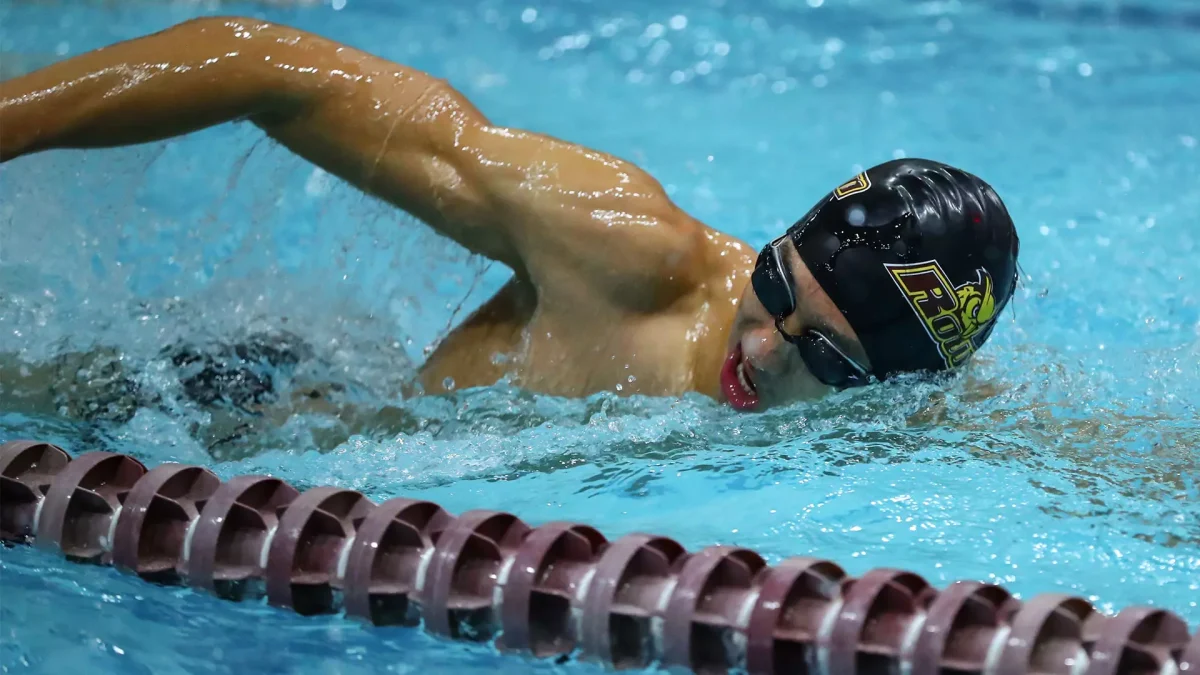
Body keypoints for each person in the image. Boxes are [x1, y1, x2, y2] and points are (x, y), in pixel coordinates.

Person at [0, 16, 1020, 430]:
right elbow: (266, 68)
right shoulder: (622, 250)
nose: (758, 351)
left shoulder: (903, 422)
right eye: (773, 288)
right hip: (240, 411)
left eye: (828, 363)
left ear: (893, 387)